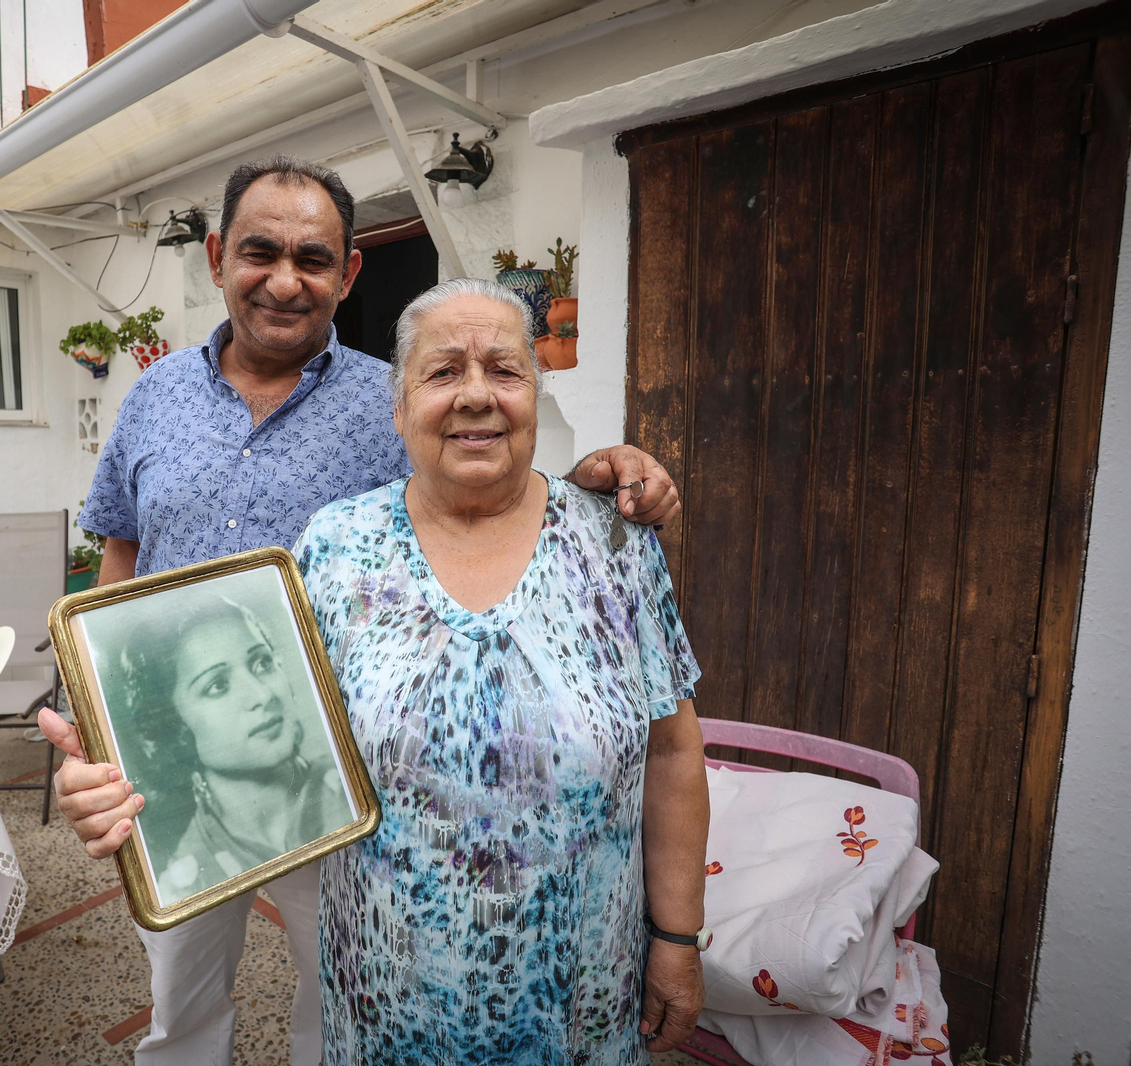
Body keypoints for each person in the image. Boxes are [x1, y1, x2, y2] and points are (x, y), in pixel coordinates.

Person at [39, 154, 683, 1066]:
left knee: (339, 986)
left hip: (337, 773)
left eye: (313, 259)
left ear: (348, 274)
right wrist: (101, 710)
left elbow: (479, 482)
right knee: (180, 1005)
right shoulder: (152, 396)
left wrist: (595, 484)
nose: (285, 280)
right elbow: (121, 554)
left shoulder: (393, 397)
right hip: (183, 758)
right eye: (261, 252)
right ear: (218, 257)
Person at [292, 278, 711, 1063]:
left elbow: (673, 751)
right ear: (399, 406)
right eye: (444, 371)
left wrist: (678, 938)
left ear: (535, 395)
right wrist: (135, 795)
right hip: (390, 1006)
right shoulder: (335, 548)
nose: (477, 395)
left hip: (581, 1001)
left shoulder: (613, 542)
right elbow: (274, 754)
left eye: (506, 370)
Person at [91, 593, 354, 905]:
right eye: (217, 685)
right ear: (173, 723)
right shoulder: (182, 881)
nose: (262, 695)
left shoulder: (352, 792)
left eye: (262, 663)